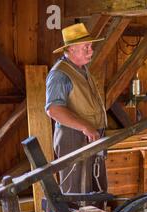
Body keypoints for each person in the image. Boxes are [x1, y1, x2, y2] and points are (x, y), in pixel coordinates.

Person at [45, 23, 108, 198]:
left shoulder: (82, 69)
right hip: (73, 137)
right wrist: (85, 127)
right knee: (76, 192)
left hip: (91, 136)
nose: (91, 51)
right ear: (71, 49)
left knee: (96, 190)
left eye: (90, 46)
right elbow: (54, 109)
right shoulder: (60, 74)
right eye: (85, 47)